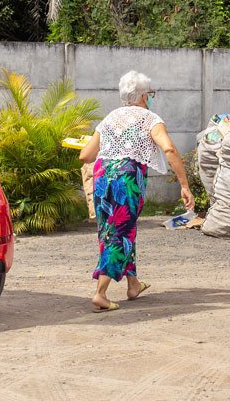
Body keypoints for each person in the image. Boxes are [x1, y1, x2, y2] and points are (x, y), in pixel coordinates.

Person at [79, 71, 194, 312]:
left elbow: (85, 155)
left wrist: (111, 145)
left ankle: (133, 284)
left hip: (102, 176)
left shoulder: (111, 118)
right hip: (126, 178)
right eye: (150, 93)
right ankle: (100, 293)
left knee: (115, 230)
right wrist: (184, 185)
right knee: (120, 231)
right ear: (143, 96)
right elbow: (170, 150)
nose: (151, 97)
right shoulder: (150, 119)